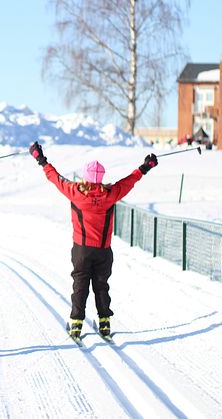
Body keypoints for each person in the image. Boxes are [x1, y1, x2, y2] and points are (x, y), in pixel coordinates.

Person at [29, 141, 158, 339]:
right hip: (103, 250)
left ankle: (76, 325)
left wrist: (40, 158)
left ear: (85, 177)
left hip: (81, 250)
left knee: (80, 285)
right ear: (100, 178)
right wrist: (145, 167)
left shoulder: (75, 192)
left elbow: (55, 178)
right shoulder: (111, 194)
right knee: (101, 286)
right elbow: (129, 181)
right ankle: (105, 323)